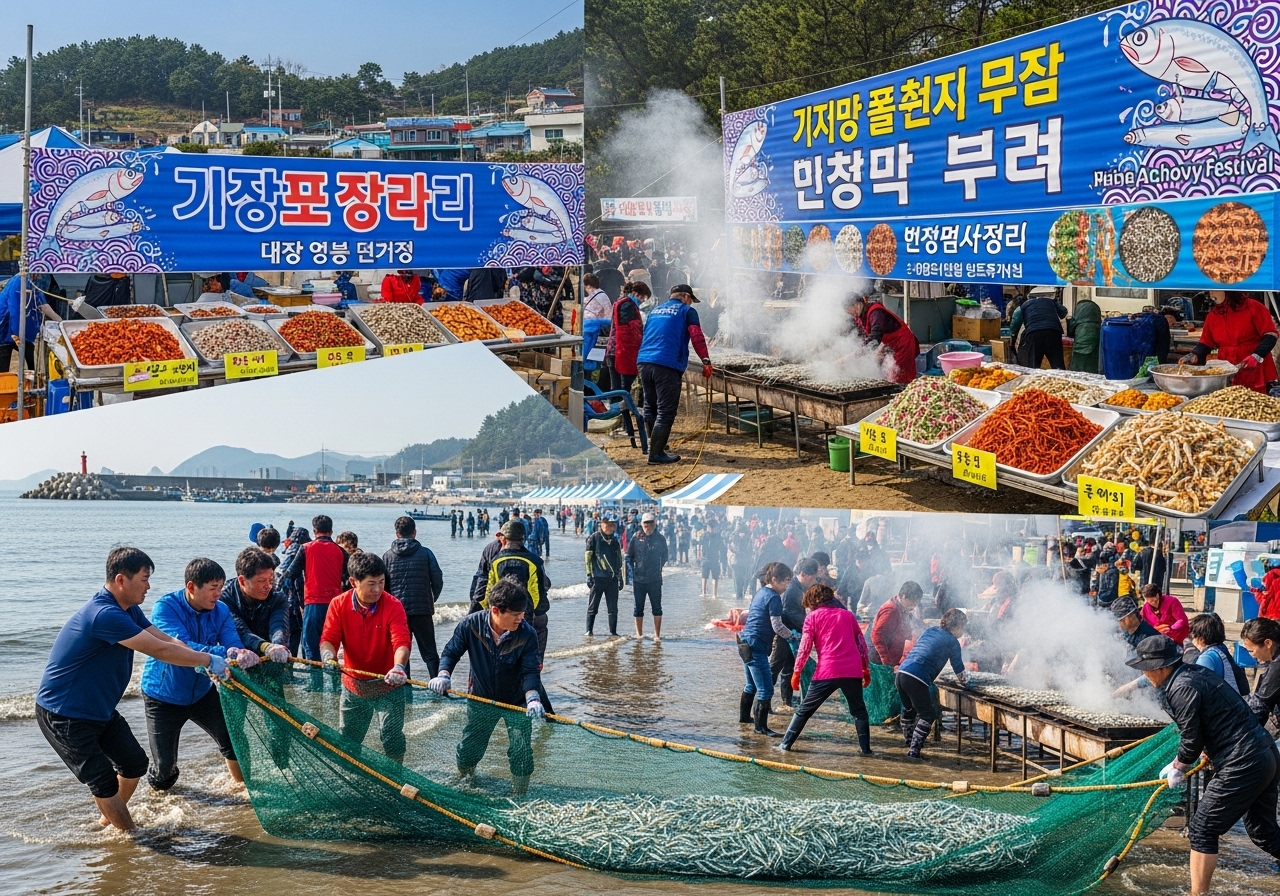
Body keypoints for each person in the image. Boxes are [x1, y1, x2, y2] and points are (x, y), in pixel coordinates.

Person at [35, 547, 232, 832]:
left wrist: (203, 662)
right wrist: (207, 660)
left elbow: (167, 641)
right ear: (121, 580)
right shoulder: (105, 614)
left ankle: (108, 824)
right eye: (144, 579)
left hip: (99, 710)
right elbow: (159, 651)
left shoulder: (128, 610)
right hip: (64, 713)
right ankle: (132, 835)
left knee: (135, 764)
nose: (148, 586)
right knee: (102, 780)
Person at [1130, 634, 1280, 896]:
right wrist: (1204, 753)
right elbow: (1214, 721)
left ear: (1161, 667)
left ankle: (1197, 894)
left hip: (1242, 761)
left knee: (1201, 829)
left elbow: (1191, 738)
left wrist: (1179, 765)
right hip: (1263, 754)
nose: (1144, 674)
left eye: (1146, 668)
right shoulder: (1193, 674)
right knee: (1263, 833)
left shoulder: (1181, 687)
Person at [141, 558, 260, 791]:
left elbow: (232, 642)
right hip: (163, 696)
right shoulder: (166, 607)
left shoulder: (221, 610)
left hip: (203, 693)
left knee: (233, 740)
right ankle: (158, 798)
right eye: (213, 588)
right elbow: (181, 646)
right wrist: (224, 653)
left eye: (221, 588)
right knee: (164, 768)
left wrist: (240, 653)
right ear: (191, 587)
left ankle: (243, 789)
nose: (218, 594)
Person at [431, 579, 546, 795]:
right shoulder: (471, 625)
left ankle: (519, 793)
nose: (520, 618)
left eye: (522, 613)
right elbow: (451, 652)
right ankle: (464, 782)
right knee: (470, 748)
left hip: (516, 701)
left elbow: (530, 670)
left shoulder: (527, 633)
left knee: (521, 751)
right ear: (495, 610)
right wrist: (443, 674)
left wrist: (533, 698)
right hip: (481, 698)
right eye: (515, 614)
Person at [318, 552, 411, 764]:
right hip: (353, 685)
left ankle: (397, 775)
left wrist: (399, 666)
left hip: (389, 684)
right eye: (371, 584)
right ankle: (352, 775)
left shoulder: (393, 605)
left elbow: (401, 641)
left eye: (381, 582)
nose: (378, 589)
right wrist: (328, 657)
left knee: (392, 737)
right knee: (348, 739)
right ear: (353, 582)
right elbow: (328, 639)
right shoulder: (338, 604)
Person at [779, 583, 872, 754]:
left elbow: (805, 647)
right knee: (859, 711)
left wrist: (797, 671)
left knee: (804, 710)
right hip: (852, 670)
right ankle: (866, 751)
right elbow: (861, 644)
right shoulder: (847, 615)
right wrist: (865, 668)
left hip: (827, 670)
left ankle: (784, 745)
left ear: (812, 601)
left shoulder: (812, 617)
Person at [636, 284, 712, 465]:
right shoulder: (687, 311)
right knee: (666, 411)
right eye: (691, 300)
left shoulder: (655, 310)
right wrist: (706, 360)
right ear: (686, 297)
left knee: (650, 406)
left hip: (644, 361)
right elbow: (697, 336)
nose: (691, 303)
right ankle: (656, 455)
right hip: (666, 363)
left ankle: (654, 446)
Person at [896, 609, 968, 759]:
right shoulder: (953, 642)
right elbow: (959, 670)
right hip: (917, 677)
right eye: (962, 627)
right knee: (928, 715)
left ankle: (909, 742)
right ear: (957, 626)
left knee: (909, 710)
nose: (962, 631)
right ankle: (914, 752)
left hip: (902, 673)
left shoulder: (931, 630)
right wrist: (968, 683)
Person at [383, 515, 445, 679]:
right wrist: (431, 599)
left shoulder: (388, 556)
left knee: (401, 650)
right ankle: (438, 685)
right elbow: (437, 579)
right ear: (414, 532)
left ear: (397, 534)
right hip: (422, 610)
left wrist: (389, 607)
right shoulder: (426, 553)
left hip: (397, 612)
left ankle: (405, 685)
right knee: (430, 653)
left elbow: (384, 586)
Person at [1181, 290, 1279, 393]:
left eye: (1213, 289)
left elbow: (1271, 335)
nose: (1211, 294)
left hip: (1253, 366)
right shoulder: (1213, 314)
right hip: (1227, 368)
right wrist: (1196, 354)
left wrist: (1257, 355)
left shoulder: (1254, 307)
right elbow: (1206, 341)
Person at [738, 562, 796, 737]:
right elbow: (777, 626)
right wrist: (793, 636)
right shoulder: (774, 597)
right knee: (766, 689)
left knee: (751, 685)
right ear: (775, 579)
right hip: (756, 646)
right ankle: (760, 728)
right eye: (786, 582)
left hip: (744, 642)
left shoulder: (761, 592)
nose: (787, 586)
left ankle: (744, 719)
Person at [484, 520, 552, 662]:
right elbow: (536, 593)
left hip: (504, 616)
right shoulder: (534, 561)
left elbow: (490, 591)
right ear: (523, 539)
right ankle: (537, 665)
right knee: (540, 625)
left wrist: (489, 613)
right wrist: (532, 613)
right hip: (528, 615)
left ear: (504, 539)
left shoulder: (496, 561)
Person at [220, 547, 291, 663]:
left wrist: (277, 645)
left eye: (271, 579)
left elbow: (279, 625)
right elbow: (240, 630)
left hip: (272, 655)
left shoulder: (277, 595)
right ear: (242, 581)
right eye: (261, 581)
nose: (268, 586)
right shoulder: (224, 598)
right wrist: (266, 646)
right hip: (239, 656)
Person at [297, 515, 349, 665]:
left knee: (310, 644)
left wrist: (299, 601)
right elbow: (350, 579)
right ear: (331, 531)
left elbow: (290, 575)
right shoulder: (341, 551)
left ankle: (315, 677)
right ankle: (335, 677)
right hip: (336, 604)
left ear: (314, 531)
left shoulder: (305, 548)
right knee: (334, 643)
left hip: (313, 602)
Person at [771, 558, 817, 709]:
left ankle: (787, 700)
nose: (814, 581)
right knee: (775, 668)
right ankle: (764, 699)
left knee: (789, 667)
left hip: (794, 634)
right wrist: (809, 627)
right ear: (804, 574)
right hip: (785, 634)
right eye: (813, 577)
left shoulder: (798, 587)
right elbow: (789, 613)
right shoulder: (792, 589)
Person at [847, 288, 919, 384]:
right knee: (889, 374)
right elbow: (863, 335)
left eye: (849, 310)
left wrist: (856, 354)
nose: (850, 314)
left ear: (855, 305)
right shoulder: (860, 315)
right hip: (890, 344)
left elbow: (875, 339)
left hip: (903, 343)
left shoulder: (876, 313)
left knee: (899, 376)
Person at [608, 280, 647, 448]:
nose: (642, 301)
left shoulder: (622, 303)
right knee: (623, 391)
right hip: (620, 353)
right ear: (637, 294)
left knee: (620, 391)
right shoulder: (627, 306)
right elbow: (629, 332)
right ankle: (627, 427)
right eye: (643, 298)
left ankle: (626, 427)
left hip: (615, 352)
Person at [628, 512, 668, 640]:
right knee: (638, 608)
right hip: (638, 579)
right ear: (642, 524)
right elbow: (629, 556)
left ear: (654, 524)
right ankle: (639, 635)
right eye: (646, 523)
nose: (648, 525)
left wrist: (658, 567)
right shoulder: (636, 537)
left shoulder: (660, 539)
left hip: (655, 579)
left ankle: (657, 635)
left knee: (657, 608)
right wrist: (631, 573)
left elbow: (665, 556)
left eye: (650, 523)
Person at [1189, 613, 1250, 696]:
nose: (1192, 641)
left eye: (1193, 637)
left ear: (1201, 639)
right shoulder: (1221, 649)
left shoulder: (1206, 658)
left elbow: (1200, 688)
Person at [584, 515, 625, 637]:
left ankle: (613, 632)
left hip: (612, 579)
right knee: (593, 605)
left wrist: (620, 577)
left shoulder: (615, 541)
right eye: (608, 524)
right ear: (602, 524)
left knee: (613, 608)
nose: (610, 527)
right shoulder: (593, 538)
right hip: (597, 578)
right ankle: (589, 630)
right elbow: (587, 558)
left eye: (613, 525)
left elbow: (619, 560)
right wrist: (589, 574)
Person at [1010, 286, 1067, 369]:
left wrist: (1013, 337)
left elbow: (1015, 323)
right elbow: (1063, 312)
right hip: (1053, 333)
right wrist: (1054, 303)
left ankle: (1034, 376)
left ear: (1029, 296)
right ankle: (1061, 376)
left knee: (1034, 365)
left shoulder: (1024, 306)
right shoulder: (1051, 302)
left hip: (1034, 334)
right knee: (1058, 364)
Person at [868, 581, 922, 667]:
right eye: (913, 601)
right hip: (879, 660)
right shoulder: (891, 611)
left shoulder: (901, 605)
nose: (915, 605)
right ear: (904, 596)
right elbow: (877, 635)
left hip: (890, 658)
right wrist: (886, 661)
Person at [275, 525, 310, 655]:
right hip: (292, 604)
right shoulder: (299, 553)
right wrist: (303, 604)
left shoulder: (286, 553)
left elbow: (279, 576)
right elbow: (296, 582)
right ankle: (292, 661)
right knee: (295, 634)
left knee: (284, 635)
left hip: (281, 601)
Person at [1241, 617, 1280, 727]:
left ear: (1268, 643)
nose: (1252, 655)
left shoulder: (1277, 666)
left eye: (1251, 651)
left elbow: (1259, 707)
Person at [1067, 291, 1102, 373]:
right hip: (1095, 333)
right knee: (1093, 360)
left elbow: (1071, 330)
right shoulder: (1095, 312)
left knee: (1079, 361)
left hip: (1081, 336)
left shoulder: (1079, 313)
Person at [700, 519, 725, 598]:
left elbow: (722, 548)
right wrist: (699, 556)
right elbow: (700, 546)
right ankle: (703, 593)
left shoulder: (718, 536)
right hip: (705, 558)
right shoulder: (704, 536)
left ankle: (714, 594)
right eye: (708, 526)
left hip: (715, 559)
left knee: (715, 577)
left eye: (711, 527)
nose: (709, 528)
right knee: (704, 576)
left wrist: (722, 558)